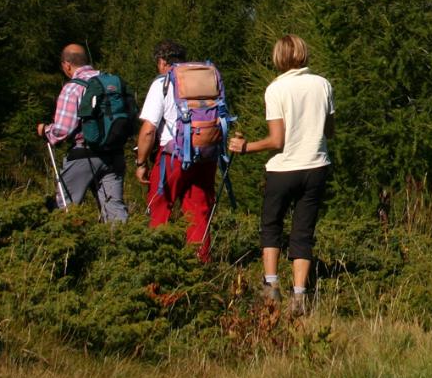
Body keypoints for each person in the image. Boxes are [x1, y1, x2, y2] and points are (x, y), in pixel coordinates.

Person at [228, 34, 334, 314]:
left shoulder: (276, 89)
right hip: (316, 165)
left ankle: (271, 286)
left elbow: (277, 141)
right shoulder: (323, 84)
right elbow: (329, 130)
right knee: (303, 231)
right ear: (303, 53)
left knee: (272, 225)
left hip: (284, 168)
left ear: (279, 57)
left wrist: (246, 147)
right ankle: (299, 295)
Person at [133, 40, 217, 260]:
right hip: (206, 154)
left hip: (173, 156)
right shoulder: (204, 79)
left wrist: (141, 163)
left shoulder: (163, 83)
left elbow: (149, 130)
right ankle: (199, 268)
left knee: (160, 208)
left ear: (162, 62)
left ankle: (157, 264)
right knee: (198, 212)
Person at [36, 43, 128, 222]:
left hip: (84, 154)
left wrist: (46, 131)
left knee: (65, 207)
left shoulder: (73, 88)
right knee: (115, 209)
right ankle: (121, 246)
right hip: (114, 154)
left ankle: (64, 246)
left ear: (66, 65)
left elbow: (64, 129)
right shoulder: (110, 82)